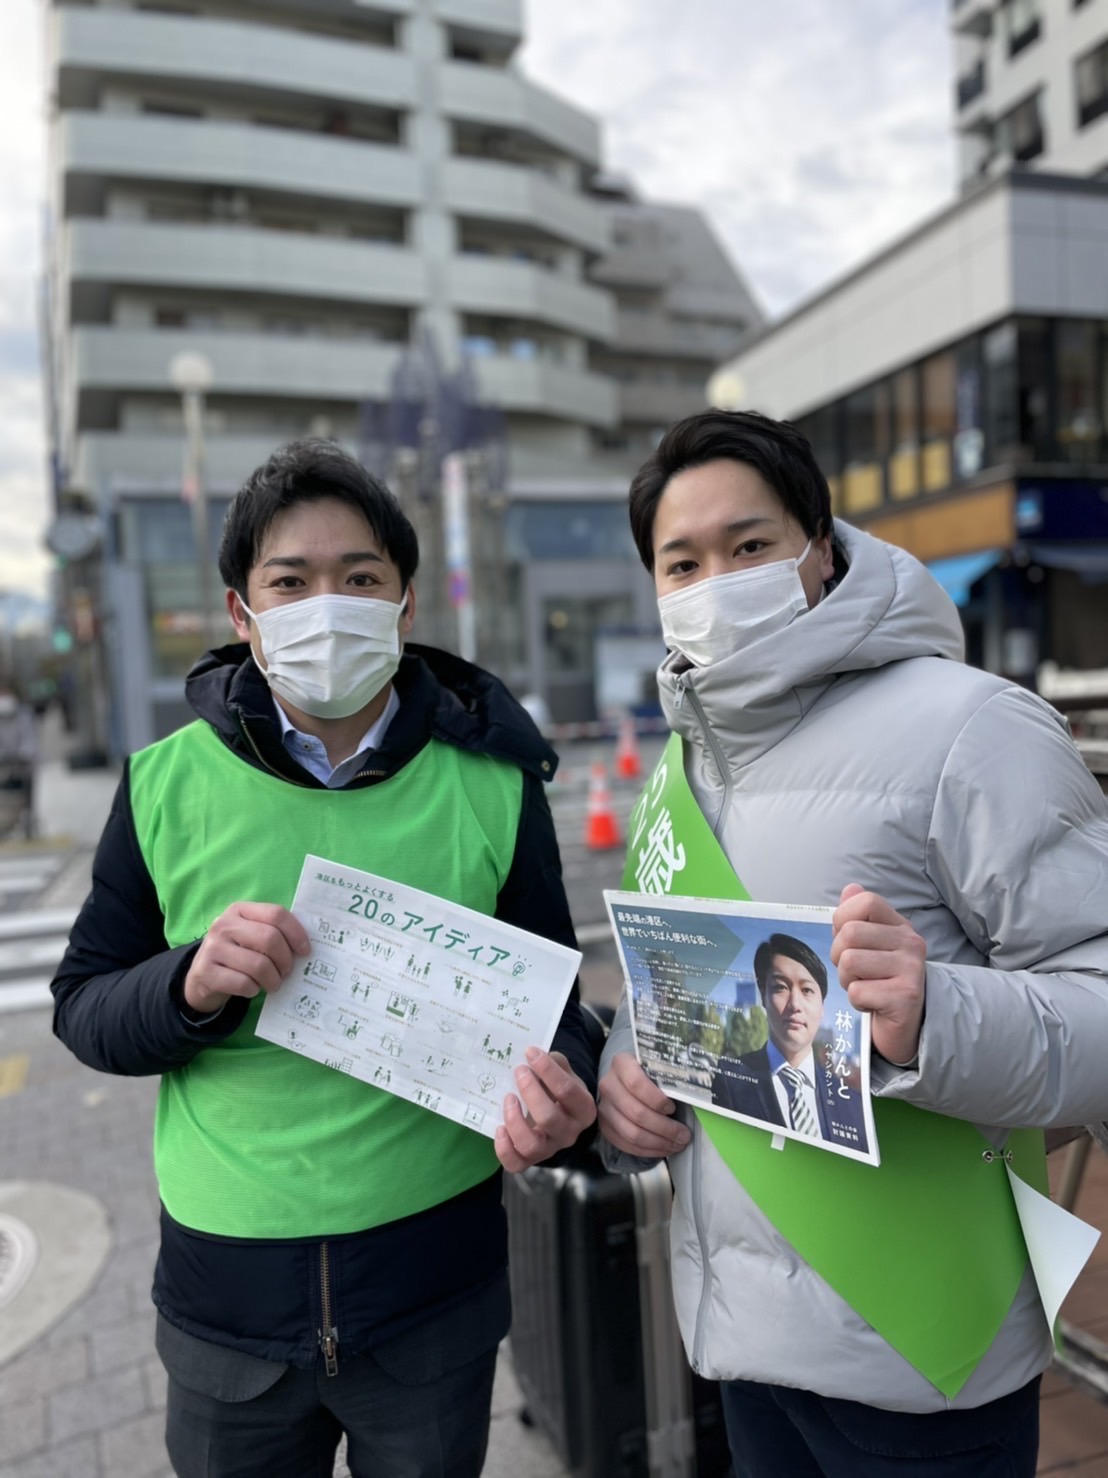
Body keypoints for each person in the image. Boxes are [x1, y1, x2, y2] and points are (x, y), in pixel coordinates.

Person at [50, 439, 598, 1478]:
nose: (328, 606)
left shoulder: (493, 783)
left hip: (435, 1296)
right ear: (242, 613)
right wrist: (187, 983)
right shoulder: (163, 782)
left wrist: (564, 1085)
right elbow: (83, 1007)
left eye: (360, 578)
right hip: (226, 1308)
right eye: (290, 583)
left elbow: (555, 995)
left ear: (405, 602)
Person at [596, 408, 1108, 1477]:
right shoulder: (676, 773)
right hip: (740, 1339)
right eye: (682, 563)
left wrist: (932, 1016)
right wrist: (629, 1077)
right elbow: (676, 999)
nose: (716, 582)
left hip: (922, 1346)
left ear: (820, 549)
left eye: (749, 545)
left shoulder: (974, 727)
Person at [709, 932, 863, 1147]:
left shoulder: (851, 1101)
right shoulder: (731, 1080)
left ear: (822, 1007)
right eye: (780, 987)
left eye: (807, 990)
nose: (795, 1004)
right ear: (763, 995)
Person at [0, 681, 38, 838]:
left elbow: (30, 737)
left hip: (24, 764)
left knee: (27, 794)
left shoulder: (24, 715)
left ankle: (28, 823)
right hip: (4, 765)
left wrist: (23, 753)